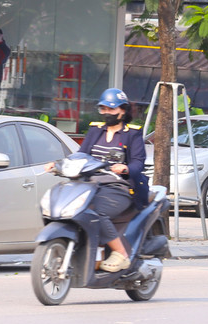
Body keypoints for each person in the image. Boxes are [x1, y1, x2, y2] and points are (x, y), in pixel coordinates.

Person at [57, 88, 147, 273]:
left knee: (96, 211)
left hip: (119, 187)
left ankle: (121, 254)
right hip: (92, 184)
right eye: (103, 109)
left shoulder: (132, 134)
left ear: (123, 110)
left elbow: (138, 163)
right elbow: (81, 154)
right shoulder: (96, 130)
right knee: (73, 208)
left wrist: (126, 168)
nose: (107, 113)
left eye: (111, 109)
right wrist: (59, 164)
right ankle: (91, 253)